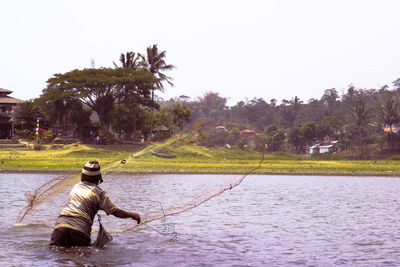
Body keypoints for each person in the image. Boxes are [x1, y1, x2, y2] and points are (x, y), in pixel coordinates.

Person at [50, 161, 140, 247]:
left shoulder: (76, 187)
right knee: (82, 258)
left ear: (82, 176)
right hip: (80, 230)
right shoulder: (100, 193)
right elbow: (116, 212)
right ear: (98, 178)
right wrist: (133, 215)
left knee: (57, 254)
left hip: (60, 227)